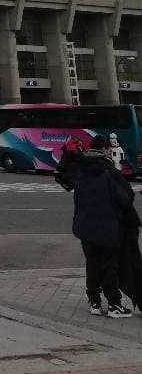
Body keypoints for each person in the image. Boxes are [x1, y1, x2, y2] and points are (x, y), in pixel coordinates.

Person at [63, 134, 134, 318]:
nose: (110, 153)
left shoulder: (80, 169)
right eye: (109, 150)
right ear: (103, 149)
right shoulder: (108, 171)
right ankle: (114, 305)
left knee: (92, 264)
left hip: (85, 225)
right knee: (109, 266)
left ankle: (94, 301)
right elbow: (125, 198)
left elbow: (64, 180)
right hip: (108, 227)